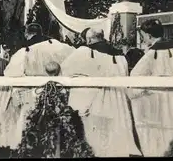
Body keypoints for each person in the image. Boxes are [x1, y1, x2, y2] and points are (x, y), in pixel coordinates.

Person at [60, 27, 141, 157]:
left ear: (89, 39)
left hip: (96, 103)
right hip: (118, 103)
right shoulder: (120, 56)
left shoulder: (84, 52)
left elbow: (64, 70)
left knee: (95, 141)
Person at [129, 19, 173, 157]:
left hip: (157, 108)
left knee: (155, 145)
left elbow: (135, 77)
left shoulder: (152, 55)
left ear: (149, 36)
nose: (144, 39)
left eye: (143, 36)